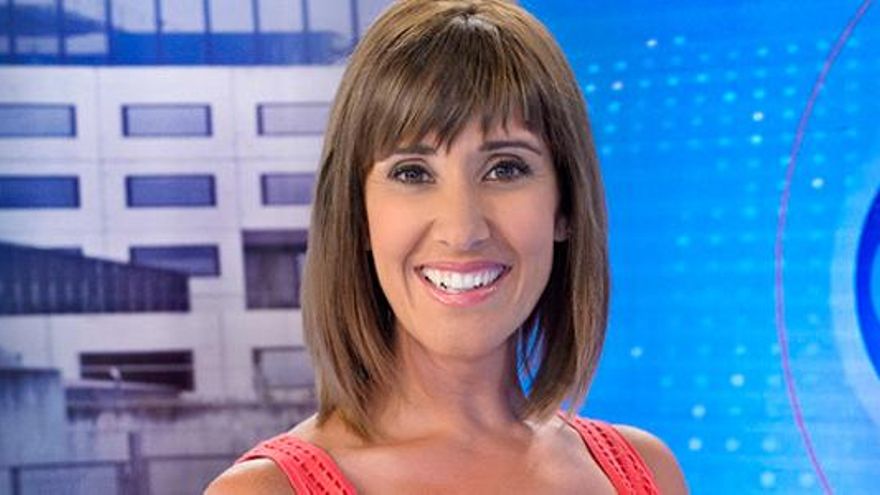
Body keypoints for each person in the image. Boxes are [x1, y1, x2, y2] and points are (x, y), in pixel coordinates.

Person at [207, 0, 687, 493]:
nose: (462, 230)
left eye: (505, 168)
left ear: (564, 205)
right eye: (412, 173)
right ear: (358, 215)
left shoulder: (646, 471)